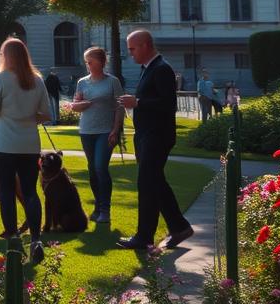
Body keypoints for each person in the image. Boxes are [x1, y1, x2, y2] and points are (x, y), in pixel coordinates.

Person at [117, 29, 193, 251]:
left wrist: (138, 103)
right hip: (148, 135)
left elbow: (168, 105)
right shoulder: (150, 68)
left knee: (148, 184)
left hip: (156, 135)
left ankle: (144, 236)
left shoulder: (161, 69)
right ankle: (179, 227)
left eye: (132, 49)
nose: (130, 54)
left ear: (145, 45)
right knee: (155, 182)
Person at [0, 37, 52, 264]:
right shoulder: (37, 80)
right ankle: (35, 239)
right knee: (30, 191)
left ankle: (13, 238)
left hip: (4, 143)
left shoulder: (0, 79)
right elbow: (46, 114)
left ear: (7, 56)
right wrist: (27, 114)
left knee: (6, 190)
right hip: (29, 143)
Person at [69, 46, 124, 224]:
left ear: (100, 62)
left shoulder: (112, 82)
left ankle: (105, 210)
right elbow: (75, 105)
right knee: (92, 170)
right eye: (86, 62)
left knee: (101, 167)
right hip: (86, 130)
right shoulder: (82, 82)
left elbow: (119, 107)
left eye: (90, 61)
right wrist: (82, 104)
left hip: (105, 131)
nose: (87, 65)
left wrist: (116, 130)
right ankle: (98, 206)